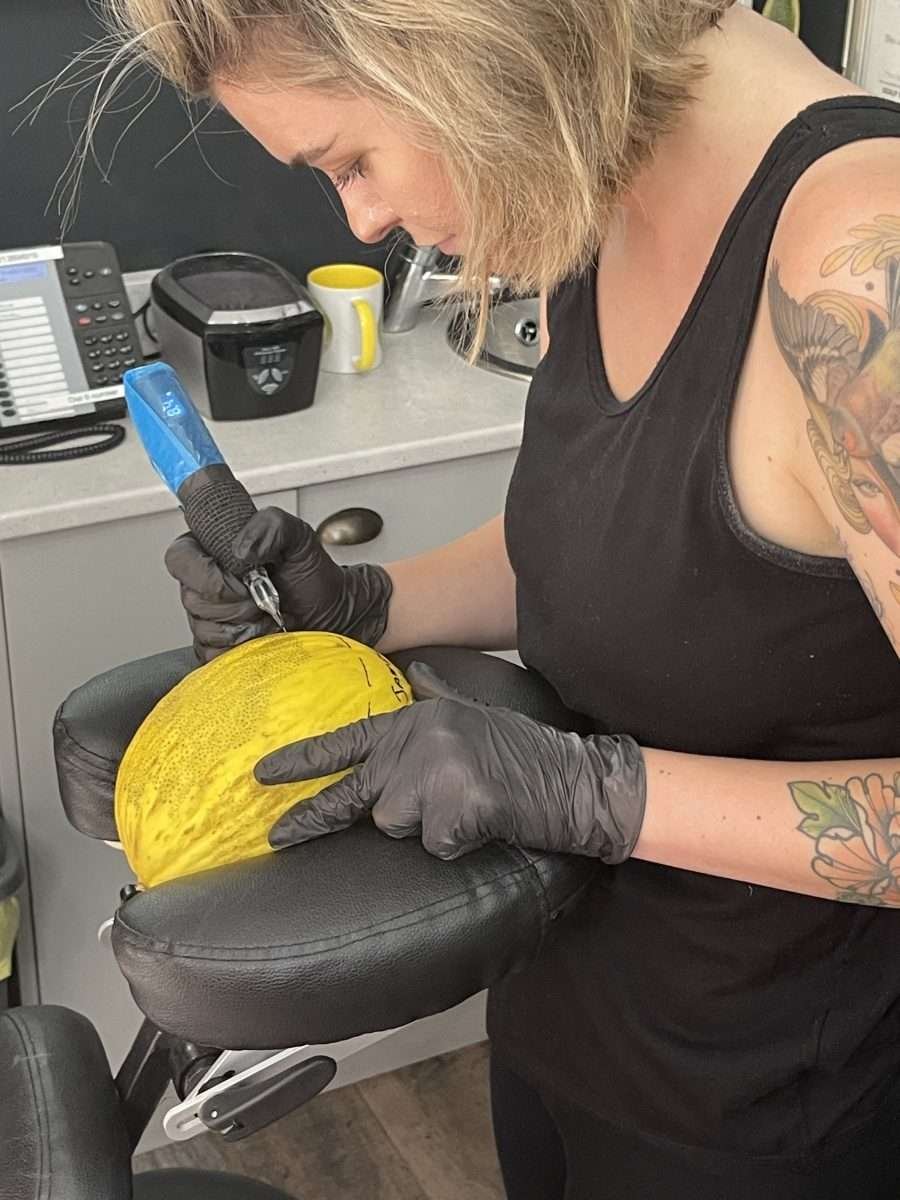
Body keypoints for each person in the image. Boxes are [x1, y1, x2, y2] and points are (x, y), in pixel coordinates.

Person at [103, 1, 900, 1195]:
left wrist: (596, 794)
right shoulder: (588, 171)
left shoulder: (863, 278)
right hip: (559, 1010)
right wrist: (365, 604)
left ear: (468, 42)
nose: (363, 220)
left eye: (351, 162)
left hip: (767, 1110)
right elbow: (616, 549)